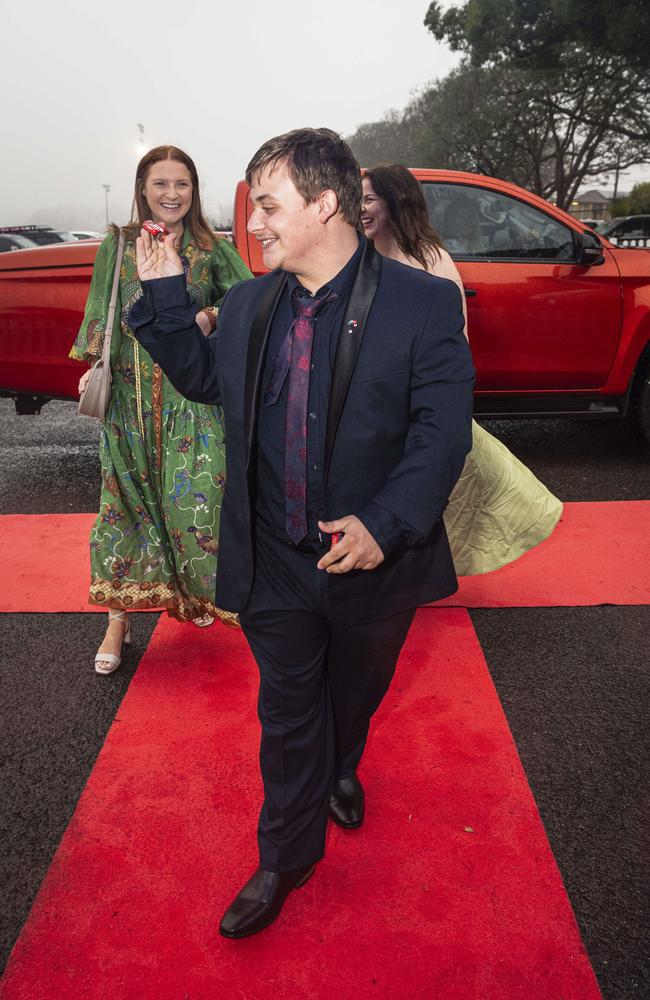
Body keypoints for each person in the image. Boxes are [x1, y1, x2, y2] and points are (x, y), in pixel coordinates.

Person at [128, 128, 475, 938]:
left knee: (350, 698)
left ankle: (342, 763)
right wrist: (171, 296)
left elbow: (441, 435)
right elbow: (204, 379)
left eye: (271, 208)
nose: (255, 228)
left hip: (375, 565)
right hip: (275, 561)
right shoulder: (250, 303)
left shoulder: (424, 304)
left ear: (325, 205)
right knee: (287, 713)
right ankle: (286, 857)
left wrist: (385, 524)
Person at [70, 145, 252, 675]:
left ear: (194, 191)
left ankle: (227, 602)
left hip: (188, 403)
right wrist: (90, 365)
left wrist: (209, 317)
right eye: (160, 184)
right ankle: (118, 622)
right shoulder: (118, 244)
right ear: (142, 188)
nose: (172, 194)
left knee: (201, 502)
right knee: (122, 511)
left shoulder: (211, 248)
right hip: (126, 405)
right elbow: (99, 309)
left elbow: (249, 300)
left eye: (182, 184)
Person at [362, 163, 563, 575]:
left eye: (367, 199)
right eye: (356, 199)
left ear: (395, 203)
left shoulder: (431, 261)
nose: (359, 208)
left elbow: (452, 346)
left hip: (415, 402)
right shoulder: (356, 259)